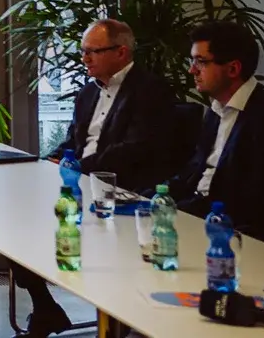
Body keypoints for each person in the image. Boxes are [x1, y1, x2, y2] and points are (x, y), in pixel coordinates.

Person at [14, 18, 178, 336]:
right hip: (81, 182)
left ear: (121, 52)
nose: (85, 59)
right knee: (14, 225)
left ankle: (122, 321)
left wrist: (81, 166)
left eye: (93, 51)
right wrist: (55, 159)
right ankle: (45, 307)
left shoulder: (150, 91)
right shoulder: (88, 92)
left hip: (123, 188)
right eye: (83, 51)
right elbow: (74, 140)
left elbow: (136, 148)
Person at [167, 20, 264, 238]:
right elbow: (196, 169)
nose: (191, 70)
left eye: (201, 62)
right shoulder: (217, 107)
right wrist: (156, 196)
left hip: (222, 225)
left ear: (233, 68)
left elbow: (253, 199)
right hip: (194, 207)